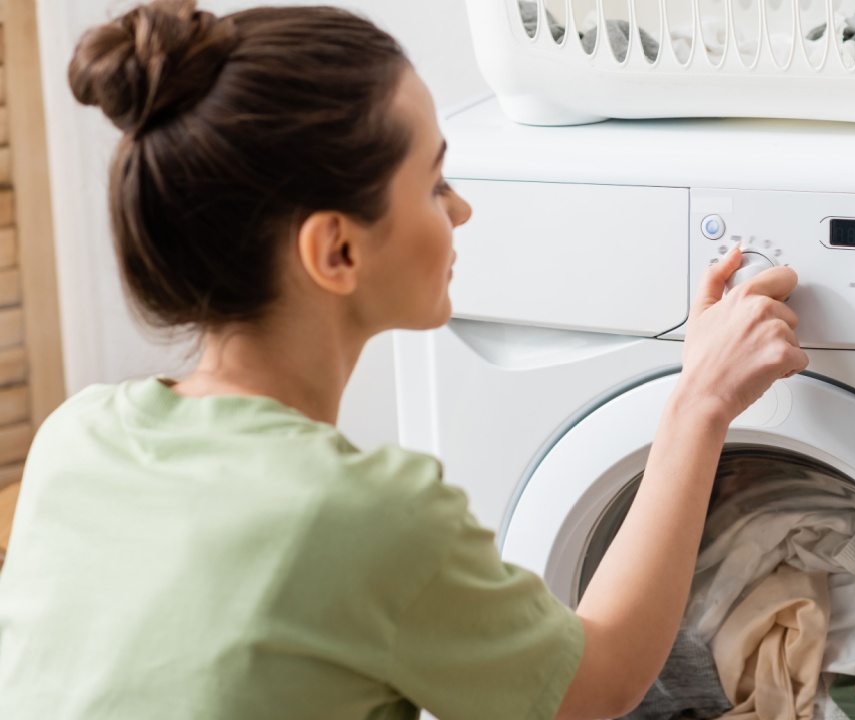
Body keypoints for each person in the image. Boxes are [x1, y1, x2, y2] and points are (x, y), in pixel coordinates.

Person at [0, 1, 807, 718]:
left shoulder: (76, 438)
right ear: (337, 249)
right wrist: (698, 402)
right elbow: (593, 691)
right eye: (432, 183)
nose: (461, 208)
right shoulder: (360, 515)